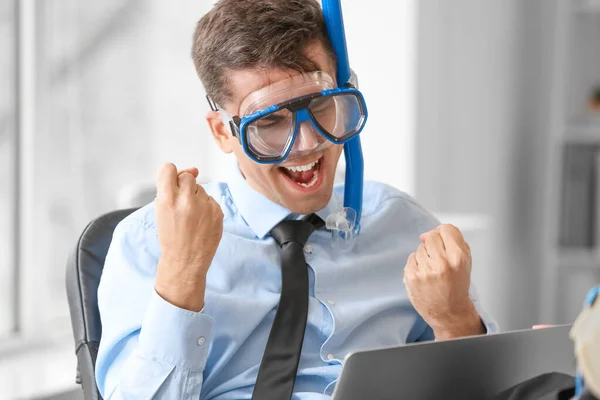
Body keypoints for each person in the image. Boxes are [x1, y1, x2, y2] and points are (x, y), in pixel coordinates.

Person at [95, 0, 497, 399]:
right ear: (222, 133)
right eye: (269, 122)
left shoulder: (403, 226)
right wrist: (182, 274)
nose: (307, 144)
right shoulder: (149, 244)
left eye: (322, 106)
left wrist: (455, 320)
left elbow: (494, 391)